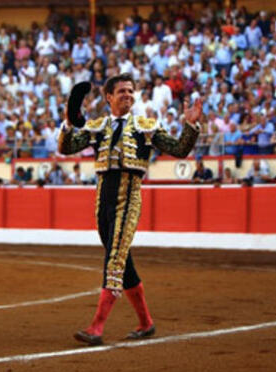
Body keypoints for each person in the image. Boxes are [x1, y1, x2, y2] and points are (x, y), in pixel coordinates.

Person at [59, 73, 201, 345]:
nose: (127, 95)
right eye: (121, 91)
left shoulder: (146, 126)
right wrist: (68, 121)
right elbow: (66, 148)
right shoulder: (97, 126)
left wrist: (190, 126)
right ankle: (146, 322)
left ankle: (96, 327)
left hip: (128, 198)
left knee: (114, 259)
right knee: (126, 266)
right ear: (108, 97)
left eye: (130, 91)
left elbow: (179, 149)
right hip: (103, 202)